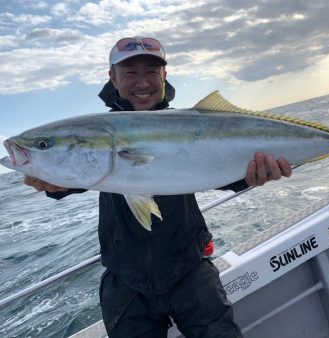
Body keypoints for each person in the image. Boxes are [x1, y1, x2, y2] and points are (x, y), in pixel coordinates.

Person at [24, 36, 292, 338]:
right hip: (125, 281)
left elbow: (216, 168)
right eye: (130, 72)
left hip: (190, 269)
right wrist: (53, 182)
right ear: (113, 78)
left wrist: (251, 176)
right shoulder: (98, 131)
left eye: (151, 72)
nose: (142, 82)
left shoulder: (193, 123)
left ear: (164, 76)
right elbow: (81, 172)